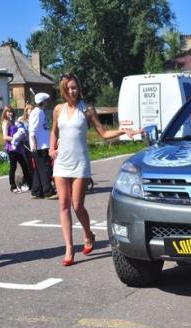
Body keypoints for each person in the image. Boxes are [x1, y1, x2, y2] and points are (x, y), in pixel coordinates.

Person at [49, 72, 138, 266]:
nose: (72, 91)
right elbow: (54, 131)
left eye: (75, 87)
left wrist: (123, 130)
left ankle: (88, 235)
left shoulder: (87, 109)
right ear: (64, 90)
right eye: (68, 88)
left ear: (79, 88)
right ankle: (69, 248)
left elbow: (104, 133)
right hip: (62, 162)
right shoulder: (58, 110)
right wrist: (51, 147)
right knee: (63, 204)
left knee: (77, 205)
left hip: (80, 163)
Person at [29, 93, 57, 199]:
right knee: (45, 168)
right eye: (46, 100)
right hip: (40, 145)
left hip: (43, 144)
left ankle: (37, 190)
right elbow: (32, 130)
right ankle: (48, 191)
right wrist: (35, 145)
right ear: (43, 102)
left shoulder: (40, 112)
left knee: (39, 169)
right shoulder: (37, 113)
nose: (47, 102)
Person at [1, 105, 31, 193]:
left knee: (24, 165)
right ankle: (13, 186)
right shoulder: (5, 122)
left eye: (11, 111)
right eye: (8, 111)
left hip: (18, 147)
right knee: (13, 167)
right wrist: (15, 139)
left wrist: (21, 138)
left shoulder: (13, 122)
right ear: (5, 113)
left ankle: (27, 183)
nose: (10, 113)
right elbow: (5, 137)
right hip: (11, 148)